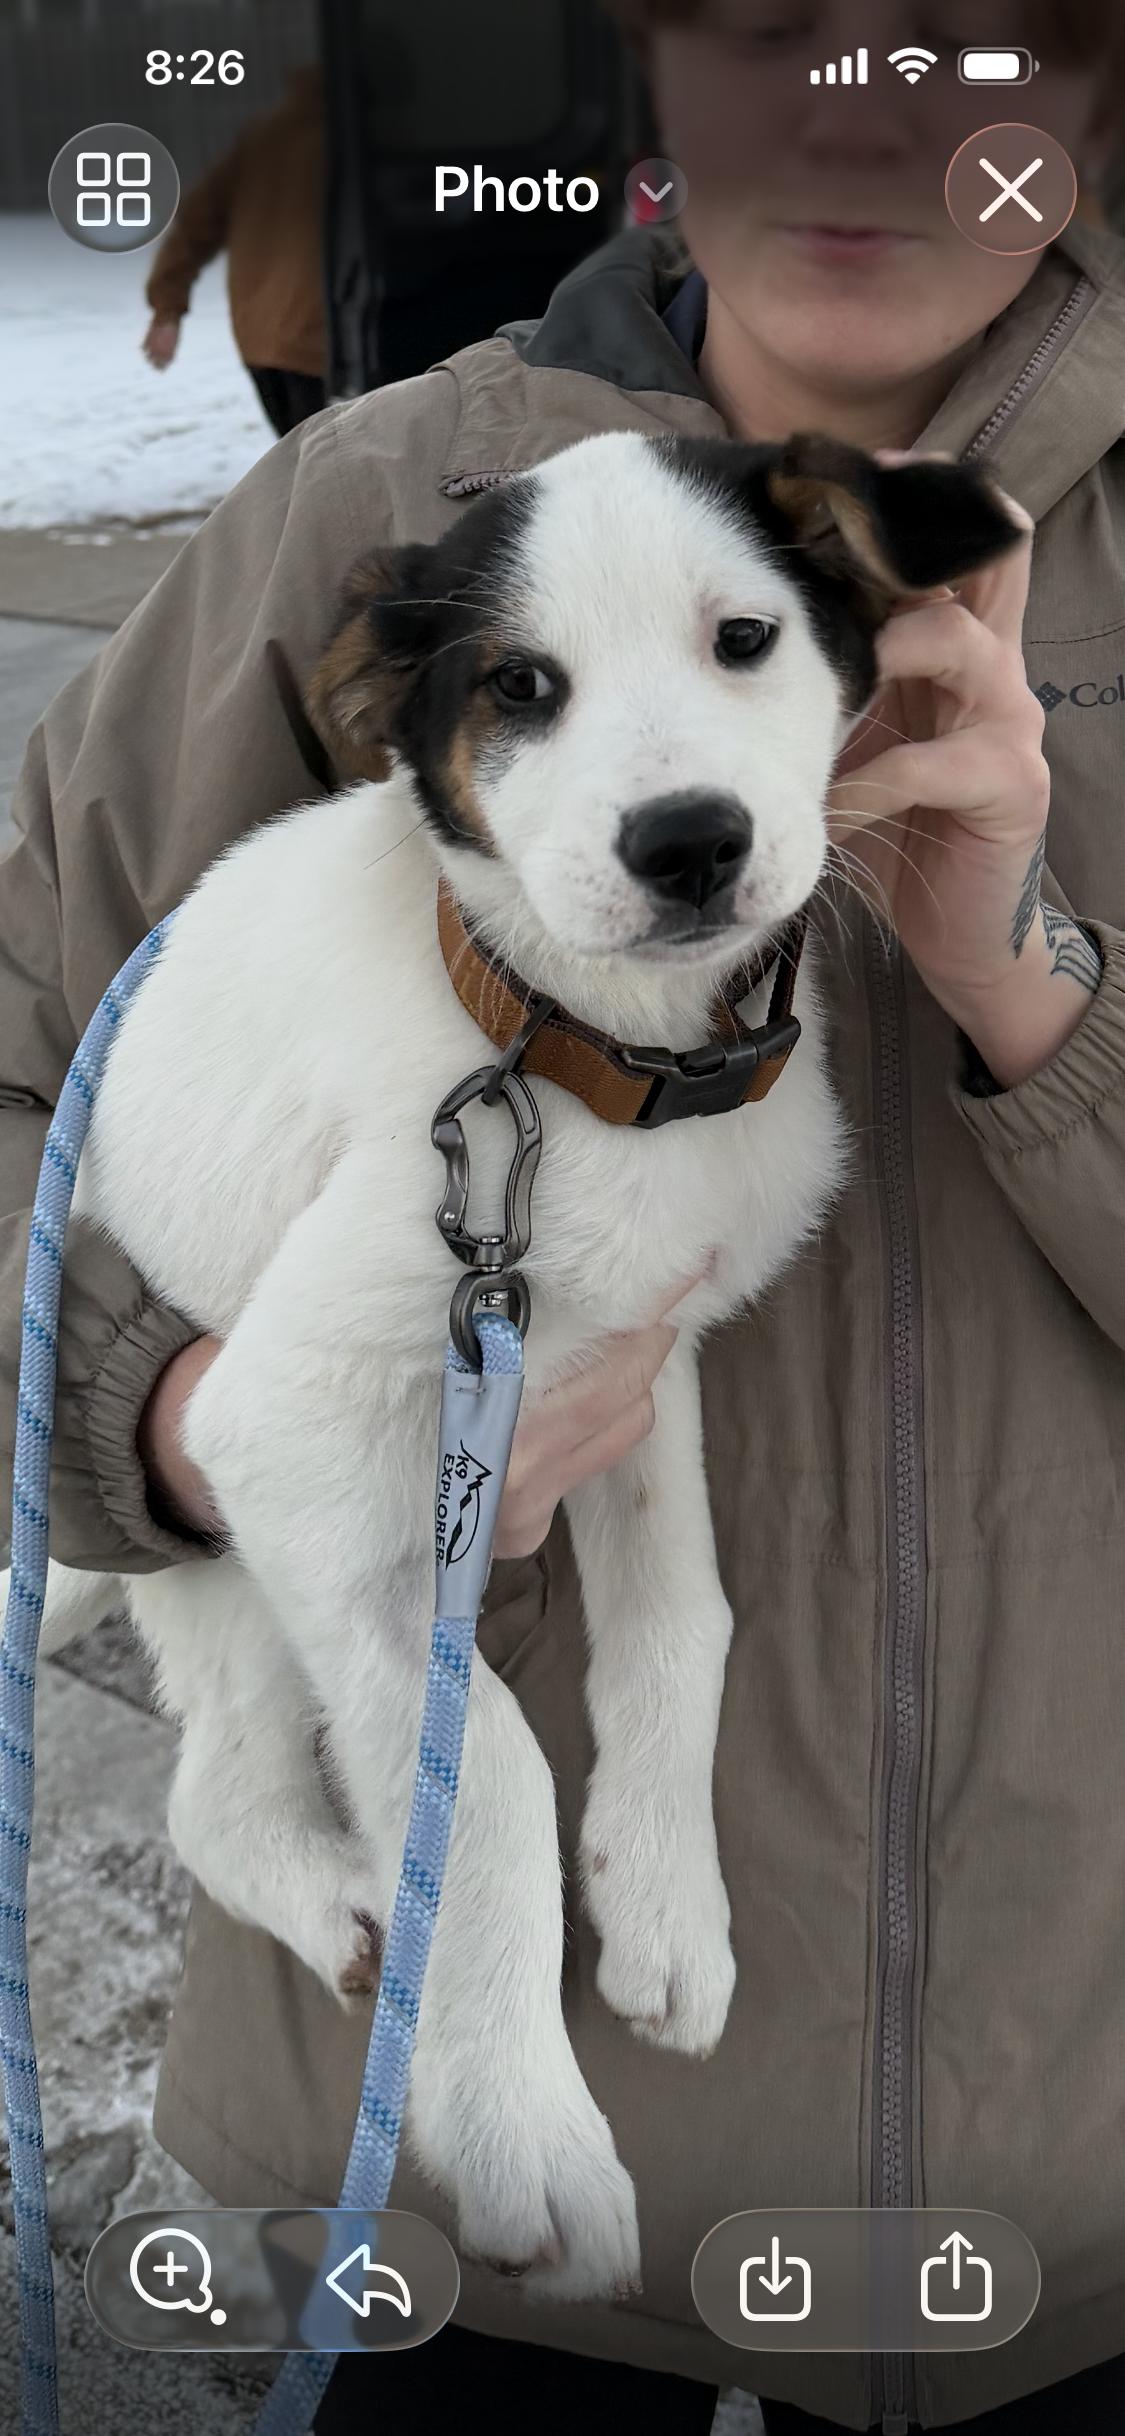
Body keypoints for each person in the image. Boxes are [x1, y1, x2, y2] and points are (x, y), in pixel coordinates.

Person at [4, 2, 1125, 2428]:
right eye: (766, 23)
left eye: (981, 29)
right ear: (646, 61)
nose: (866, 107)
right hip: (434, 2195)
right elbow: (34, 1080)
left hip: (1068, 2164)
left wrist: (1013, 985)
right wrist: (176, 1425)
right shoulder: (360, 527)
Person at [141, 64, 327, 436]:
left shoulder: (263, 137)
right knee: (335, 468)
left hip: (261, 337)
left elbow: (195, 223)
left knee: (300, 461)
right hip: (321, 342)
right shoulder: (361, 142)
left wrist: (167, 309)